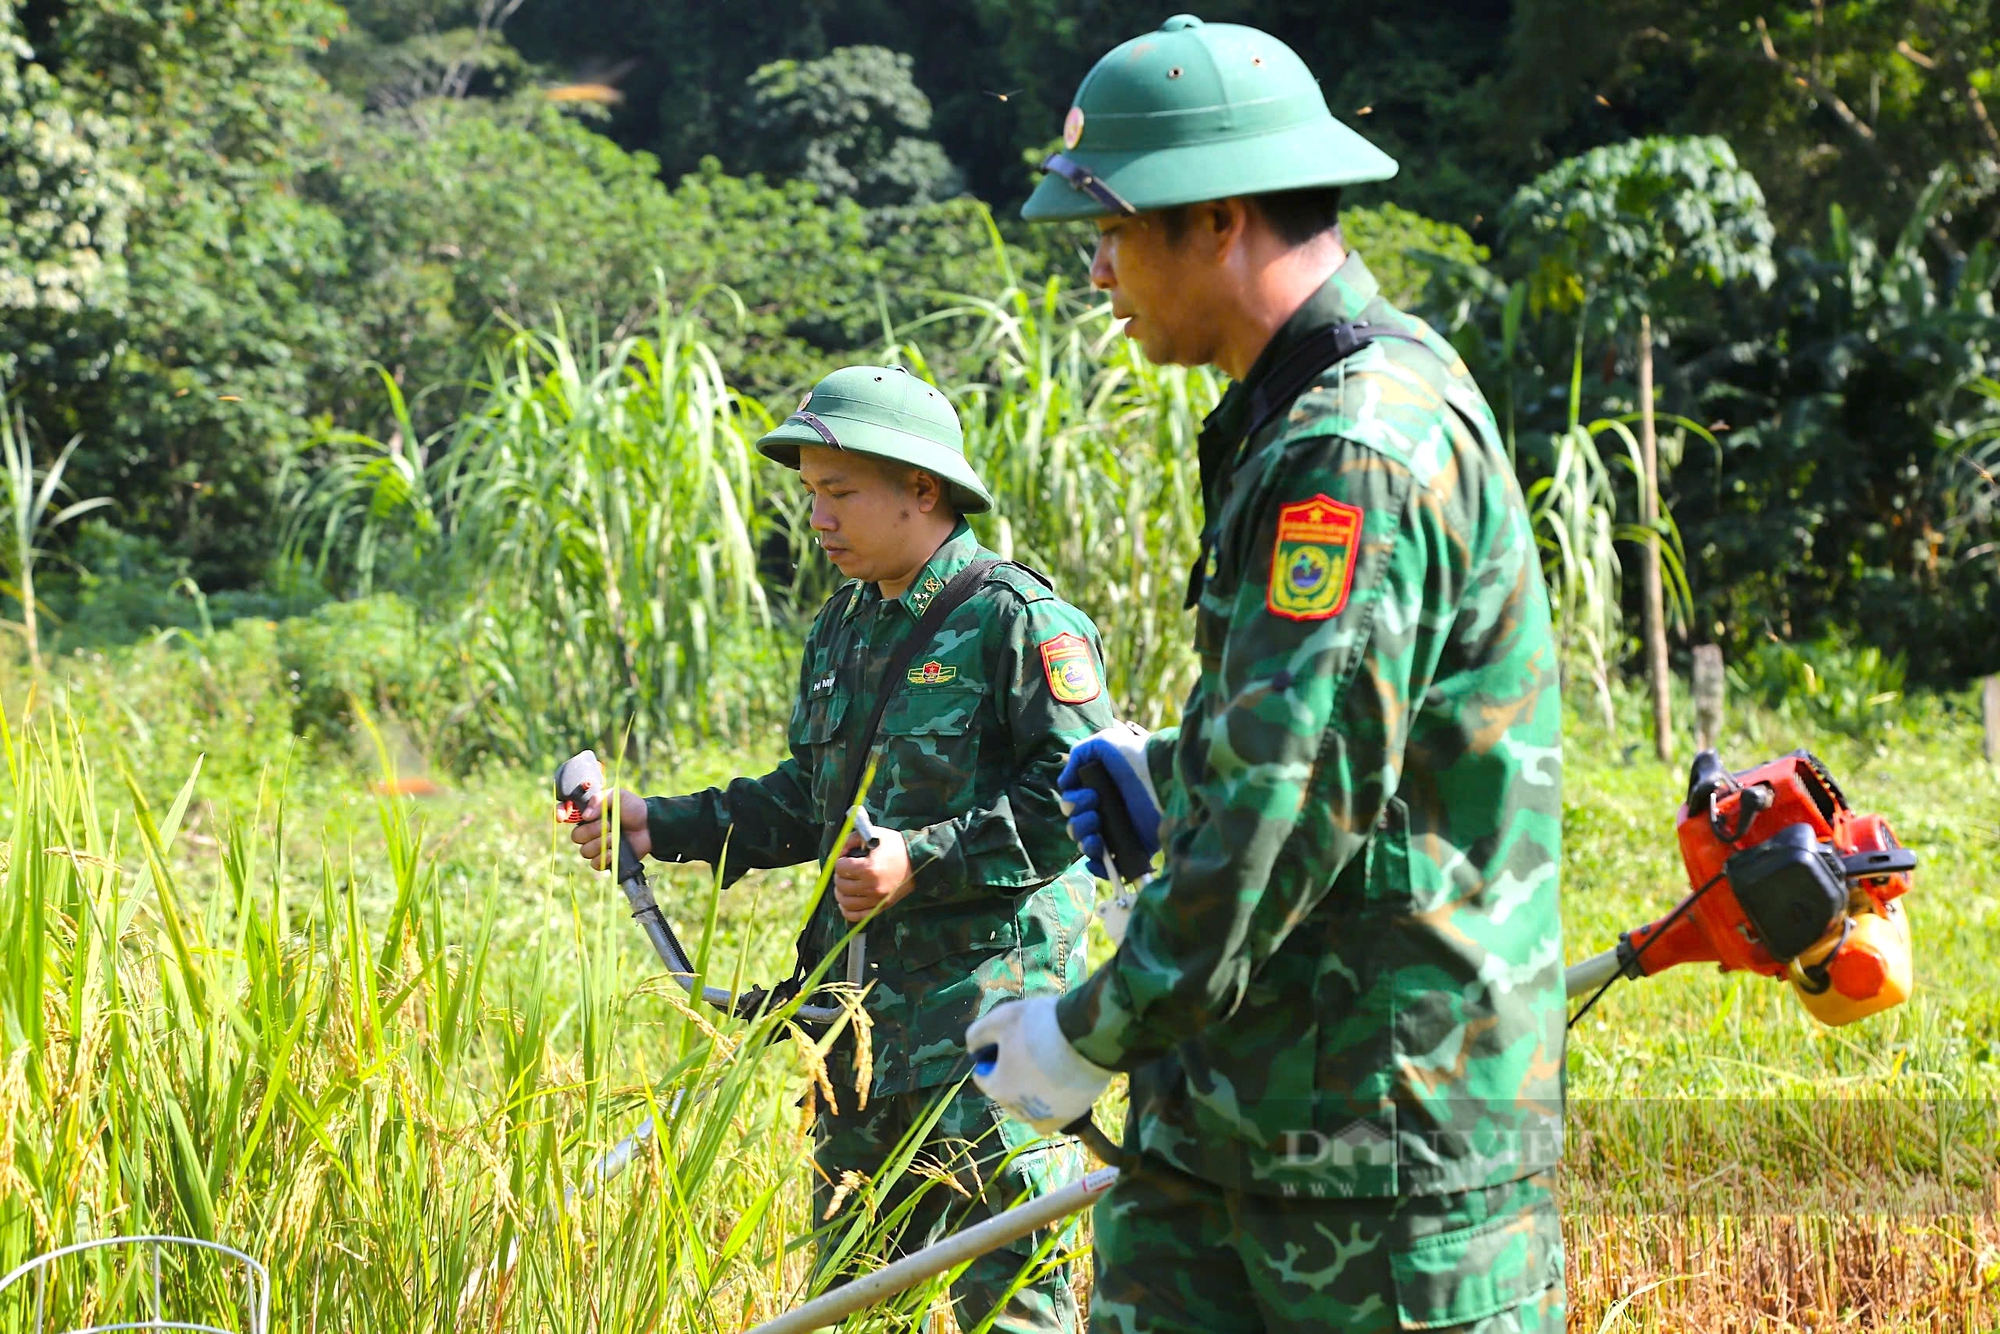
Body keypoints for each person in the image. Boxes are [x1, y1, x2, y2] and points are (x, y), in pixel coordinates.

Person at [966, 16, 1567, 1334]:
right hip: (1243, 1130)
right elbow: (1335, 733)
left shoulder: (1353, 446)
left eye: (1115, 231)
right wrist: (1169, 770)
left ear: (1220, 218)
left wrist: (1087, 1028)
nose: (1099, 270)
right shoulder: (1296, 418)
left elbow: (1281, 815)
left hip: (1375, 1166)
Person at [570, 364, 1112, 1334]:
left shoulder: (1015, 619)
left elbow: (1079, 792)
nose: (817, 516)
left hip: (987, 1022)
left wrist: (923, 858)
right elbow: (809, 799)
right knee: (854, 1294)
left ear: (922, 489)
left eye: (839, 491)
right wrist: (662, 821)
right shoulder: (842, 626)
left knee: (1014, 1298)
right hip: (857, 1027)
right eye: (809, 491)